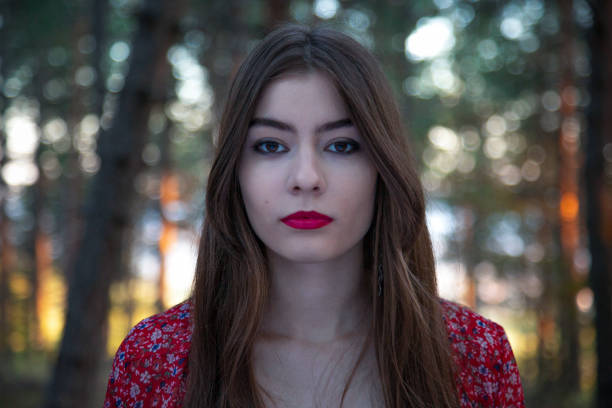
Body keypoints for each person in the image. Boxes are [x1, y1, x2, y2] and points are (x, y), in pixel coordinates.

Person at [104, 24, 525, 408]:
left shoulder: (475, 355)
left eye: (341, 145)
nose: (306, 178)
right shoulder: (156, 359)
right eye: (271, 145)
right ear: (235, 171)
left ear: (383, 167)